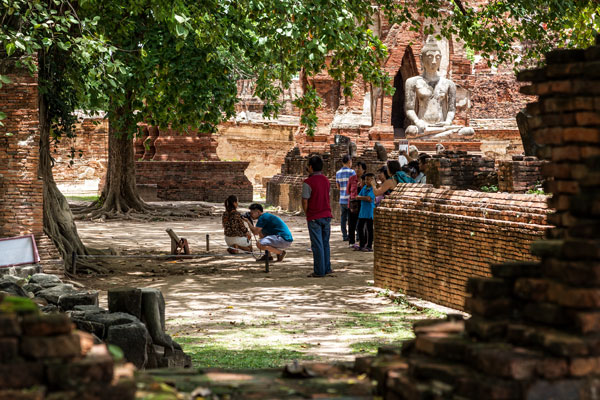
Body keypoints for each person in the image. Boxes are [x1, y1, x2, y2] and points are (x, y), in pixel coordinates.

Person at [405, 36, 474, 138]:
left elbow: (451, 109)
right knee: (410, 131)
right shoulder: (412, 82)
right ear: (421, 59)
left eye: (437, 57)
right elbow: (409, 109)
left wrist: (448, 121)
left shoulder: (449, 84)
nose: (433, 61)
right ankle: (440, 136)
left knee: (469, 131)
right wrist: (417, 121)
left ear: (440, 59)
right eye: (429, 57)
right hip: (423, 126)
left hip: (442, 126)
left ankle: (435, 136)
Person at [302, 155, 333, 277]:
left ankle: (319, 271)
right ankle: (327, 268)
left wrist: (307, 213)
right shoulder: (326, 180)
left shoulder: (307, 182)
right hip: (326, 214)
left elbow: (305, 200)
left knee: (317, 244)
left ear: (310, 167)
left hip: (314, 215)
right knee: (325, 243)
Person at [335, 154, 356, 242]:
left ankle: (344, 235)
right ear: (349, 162)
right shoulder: (352, 172)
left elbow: (338, 186)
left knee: (343, 219)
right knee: (352, 219)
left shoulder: (338, 173)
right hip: (350, 199)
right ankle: (352, 235)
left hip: (342, 199)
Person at [347, 161, 366, 249]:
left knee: (362, 224)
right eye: (356, 168)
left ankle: (362, 240)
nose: (357, 170)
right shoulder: (351, 179)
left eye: (359, 168)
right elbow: (348, 191)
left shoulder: (366, 180)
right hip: (352, 204)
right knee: (352, 223)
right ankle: (351, 241)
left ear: (364, 170)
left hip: (362, 204)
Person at [355, 173, 376, 252]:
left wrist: (361, 198)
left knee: (369, 229)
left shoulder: (374, 189)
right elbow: (358, 197)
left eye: (368, 179)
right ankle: (362, 244)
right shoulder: (364, 187)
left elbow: (369, 198)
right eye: (366, 179)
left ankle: (369, 246)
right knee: (360, 227)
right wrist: (363, 198)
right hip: (363, 211)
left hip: (369, 211)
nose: (366, 181)